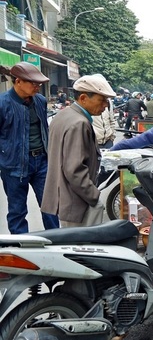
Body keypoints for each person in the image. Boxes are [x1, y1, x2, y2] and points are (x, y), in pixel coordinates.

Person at [42, 74, 117, 227]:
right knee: (83, 246)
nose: (105, 105)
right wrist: (94, 196)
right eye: (102, 100)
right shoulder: (79, 123)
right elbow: (74, 169)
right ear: (83, 98)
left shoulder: (64, 115)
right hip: (76, 200)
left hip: (66, 197)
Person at [0, 62, 60, 233]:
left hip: (41, 161)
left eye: (39, 84)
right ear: (18, 81)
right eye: (33, 83)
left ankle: (57, 241)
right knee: (17, 210)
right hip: (14, 165)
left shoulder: (40, 101)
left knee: (50, 206)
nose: (37, 87)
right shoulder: (2, 104)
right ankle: (21, 249)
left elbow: (45, 130)